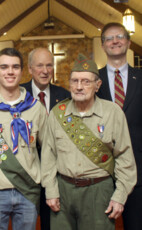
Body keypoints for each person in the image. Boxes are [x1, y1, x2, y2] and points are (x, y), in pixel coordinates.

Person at [41, 53, 137, 230]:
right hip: (63, 191)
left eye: (86, 81)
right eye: (74, 81)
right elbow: (48, 157)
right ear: (69, 84)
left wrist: (120, 196)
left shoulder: (113, 113)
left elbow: (125, 158)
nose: (79, 87)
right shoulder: (57, 113)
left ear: (97, 85)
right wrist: (51, 191)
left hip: (99, 191)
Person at [0, 48, 47, 230]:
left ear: (22, 71)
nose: (10, 72)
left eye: (15, 67)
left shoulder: (35, 108)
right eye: (4, 67)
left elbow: (48, 150)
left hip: (28, 190)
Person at [97, 22, 142, 230]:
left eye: (120, 36)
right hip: (101, 170)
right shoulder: (91, 80)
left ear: (128, 42)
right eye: (109, 38)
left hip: (138, 168)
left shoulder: (141, 77)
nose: (115, 41)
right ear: (103, 45)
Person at [21, 47, 70, 230]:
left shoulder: (65, 96)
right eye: (39, 65)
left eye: (49, 65)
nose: (45, 70)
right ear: (30, 68)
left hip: (56, 174)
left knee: (53, 223)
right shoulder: (19, 95)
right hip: (28, 173)